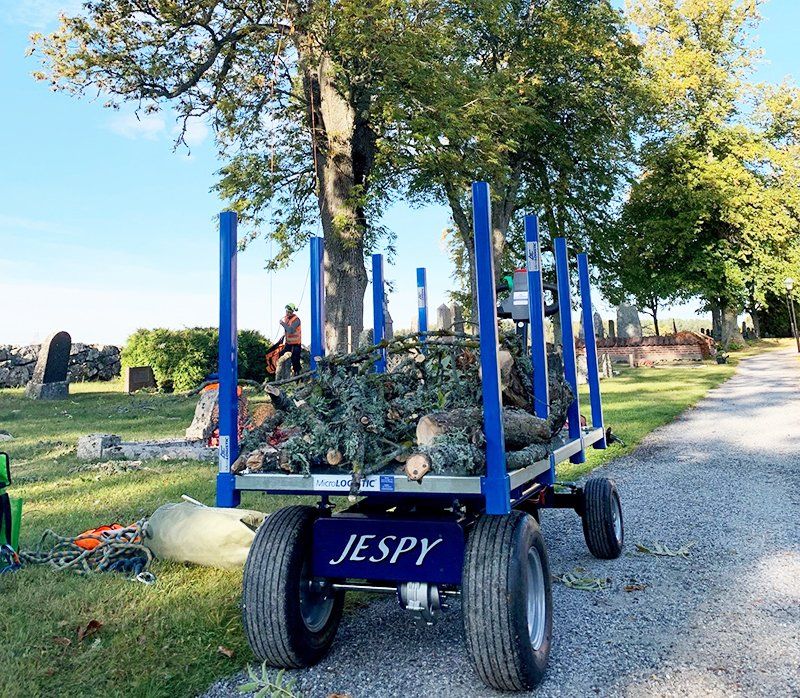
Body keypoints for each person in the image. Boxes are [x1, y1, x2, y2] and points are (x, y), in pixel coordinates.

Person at [279, 303, 302, 375]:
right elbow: (287, 331)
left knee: (295, 361)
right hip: (288, 344)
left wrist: (282, 324)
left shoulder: (296, 320)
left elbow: (290, 330)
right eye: (287, 312)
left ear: (292, 312)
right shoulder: (286, 319)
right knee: (281, 355)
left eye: (289, 312)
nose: (288, 313)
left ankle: (298, 376)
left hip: (296, 344)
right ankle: (284, 374)